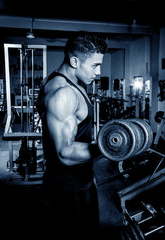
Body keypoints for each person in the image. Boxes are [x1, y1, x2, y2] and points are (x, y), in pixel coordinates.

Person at [37, 31, 108, 238]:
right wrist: (107, 148)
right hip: (68, 192)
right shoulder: (63, 93)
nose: (99, 71)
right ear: (75, 61)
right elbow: (65, 152)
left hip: (78, 184)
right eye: (95, 65)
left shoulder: (62, 81)